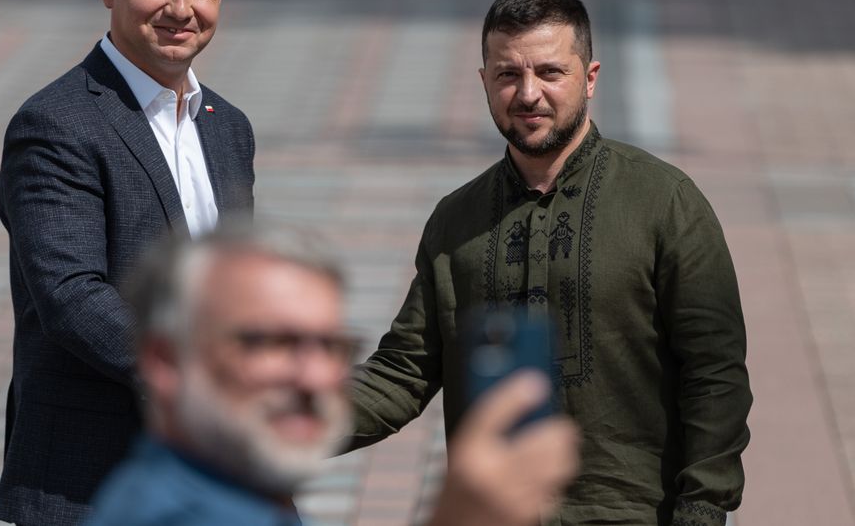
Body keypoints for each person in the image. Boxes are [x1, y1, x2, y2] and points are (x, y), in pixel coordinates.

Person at [349, 0, 752, 526]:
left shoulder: (665, 202)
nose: (528, 93)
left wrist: (703, 507)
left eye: (550, 72)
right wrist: (274, 424)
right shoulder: (456, 219)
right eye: (508, 74)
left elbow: (715, 373)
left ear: (589, 78)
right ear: (485, 82)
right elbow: (404, 371)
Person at [0, 0, 254, 526]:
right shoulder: (55, 124)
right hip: (93, 483)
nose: (181, 8)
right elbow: (73, 297)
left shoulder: (229, 128)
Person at [86, 223, 580, 526]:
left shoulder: (237, 494)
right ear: (165, 361)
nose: (312, 378)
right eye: (269, 343)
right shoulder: (176, 516)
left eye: (329, 346)